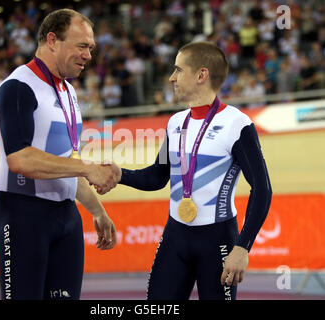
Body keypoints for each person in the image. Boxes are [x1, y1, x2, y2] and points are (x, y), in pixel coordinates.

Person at [98, 41, 272, 300]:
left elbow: (262, 188)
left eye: (178, 70)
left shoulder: (237, 124)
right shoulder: (175, 122)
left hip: (219, 241)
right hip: (175, 236)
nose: (171, 78)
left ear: (202, 75)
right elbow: (157, 177)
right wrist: (120, 174)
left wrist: (242, 248)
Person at [0, 9, 121, 300]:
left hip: (65, 216)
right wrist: (87, 167)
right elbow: (20, 159)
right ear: (52, 40)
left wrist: (97, 211)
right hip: (22, 213)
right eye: (82, 46)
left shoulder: (68, 92)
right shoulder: (18, 87)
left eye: (91, 48)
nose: (88, 55)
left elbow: (66, 161)